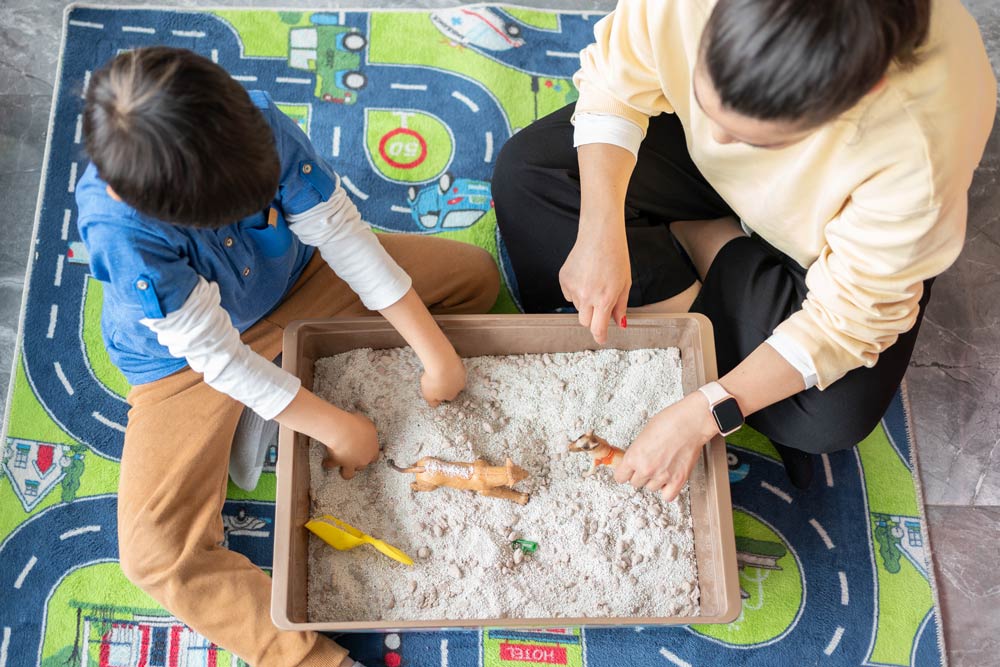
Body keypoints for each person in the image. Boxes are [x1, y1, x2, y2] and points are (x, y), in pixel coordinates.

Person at [77, 47, 499, 666]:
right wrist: (340, 426)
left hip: (299, 280)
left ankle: (275, 396)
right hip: (184, 364)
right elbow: (216, 357)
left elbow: (339, 232)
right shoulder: (122, 233)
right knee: (157, 554)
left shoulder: (252, 122)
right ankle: (315, 660)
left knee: (475, 279)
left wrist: (437, 355)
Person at [494, 0, 995, 493]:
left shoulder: (921, 149)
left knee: (830, 416)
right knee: (527, 174)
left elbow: (854, 319)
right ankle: (719, 262)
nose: (716, 138)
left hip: (824, 246)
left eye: (753, 138)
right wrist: (599, 231)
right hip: (699, 167)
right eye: (707, 101)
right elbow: (616, 81)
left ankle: (705, 237)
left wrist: (705, 412)